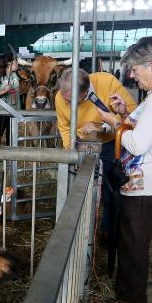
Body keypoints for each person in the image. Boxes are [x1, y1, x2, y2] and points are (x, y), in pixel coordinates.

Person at [94, 37, 152, 303]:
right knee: (131, 236)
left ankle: (133, 301)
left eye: (135, 68)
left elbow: (138, 144)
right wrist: (126, 112)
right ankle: (129, 291)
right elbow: (146, 127)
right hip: (144, 179)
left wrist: (115, 122)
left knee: (134, 241)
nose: (132, 75)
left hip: (145, 183)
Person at [55, 68, 137, 241]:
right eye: (63, 96)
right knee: (79, 188)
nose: (64, 101)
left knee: (110, 187)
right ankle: (80, 233)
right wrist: (71, 150)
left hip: (110, 142)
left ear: (85, 93)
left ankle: (107, 230)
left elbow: (132, 116)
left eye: (70, 100)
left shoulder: (107, 83)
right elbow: (63, 126)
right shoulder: (60, 97)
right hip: (80, 143)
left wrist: (102, 127)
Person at [0, 53, 20, 145]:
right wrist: (3, 91)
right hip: (1, 112)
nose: (17, 63)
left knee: (11, 139)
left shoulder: (16, 75)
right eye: (15, 61)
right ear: (9, 64)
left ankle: (10, 158)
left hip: (14, 112)